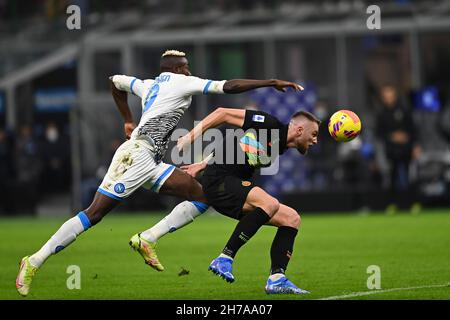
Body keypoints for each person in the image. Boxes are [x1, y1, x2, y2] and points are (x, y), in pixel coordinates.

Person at [15, 49, 302, 297]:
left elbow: (114, 82)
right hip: (135, 157)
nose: (190, 69)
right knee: (94, 214)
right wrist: (269, 82)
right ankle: (34, 261)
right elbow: (229, 86)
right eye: (186, 65)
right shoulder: (182, 81)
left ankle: (147, 239)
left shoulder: (147, 84)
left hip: (151, 159)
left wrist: (128, 120)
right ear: (177, 69)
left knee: (201, 195)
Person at [139, 107, 320, 294]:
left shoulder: (278, 144)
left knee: (291, 218)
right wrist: (189, 137)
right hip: (220, 180)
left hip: (229, 183)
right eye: (313, 134)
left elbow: (234, 140)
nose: (315, 140)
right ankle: (225, 257)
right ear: (299, 130)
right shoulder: (269, 124)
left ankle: (277, 279)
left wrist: (202, 164)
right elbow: (222, 113)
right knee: (270, 203)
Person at [375, 85, 421, 211]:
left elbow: (413, 130)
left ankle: (413, 204)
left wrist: (414, 145)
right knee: (392, 177)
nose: (388, 97)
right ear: (383, 97)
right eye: (386, 95)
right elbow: (379, 133)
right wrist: (392, 136)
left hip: (406, 149)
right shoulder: (381, 113)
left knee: (410, 177)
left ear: (395, 95)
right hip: (391, 151)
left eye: (390, 94)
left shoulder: (405, 110)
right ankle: (392, 205)